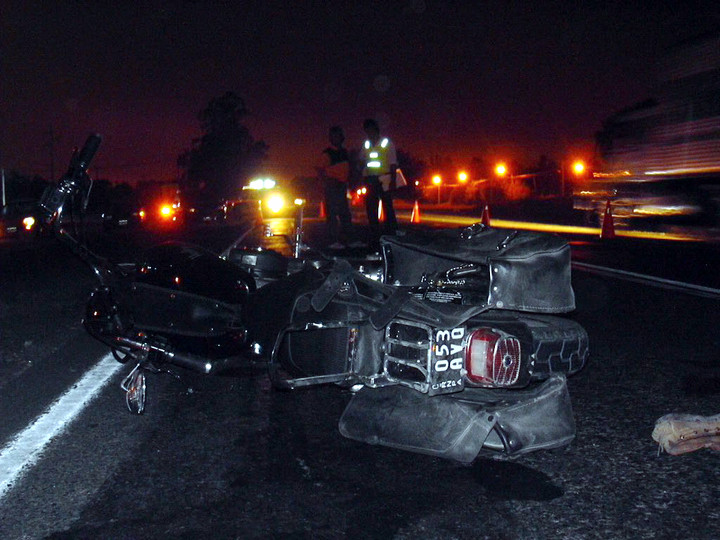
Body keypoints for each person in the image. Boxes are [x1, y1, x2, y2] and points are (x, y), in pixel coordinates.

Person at [361, 118, 400, 249]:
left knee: (387, 207)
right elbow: (363, 160)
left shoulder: (386, 143)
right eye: (367, 131)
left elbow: (393, 162)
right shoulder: (366, 144)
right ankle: (375, 236)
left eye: (371, 130)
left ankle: (391, 234)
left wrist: (393, 180)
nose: (369, 133)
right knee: (371, 209)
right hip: (370, 179)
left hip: (384, 179)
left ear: (376, 129)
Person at [317, 126, 353, 248]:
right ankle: (333, 241)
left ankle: (347, 239)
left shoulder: (344, 152)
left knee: (345, 214)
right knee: (332, 214)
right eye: (333, 136)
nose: (335, 138)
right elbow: (320, 169)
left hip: (342, 186)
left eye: (337, 136)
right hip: (332, 186)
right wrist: (326, 183)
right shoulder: (327, 153)